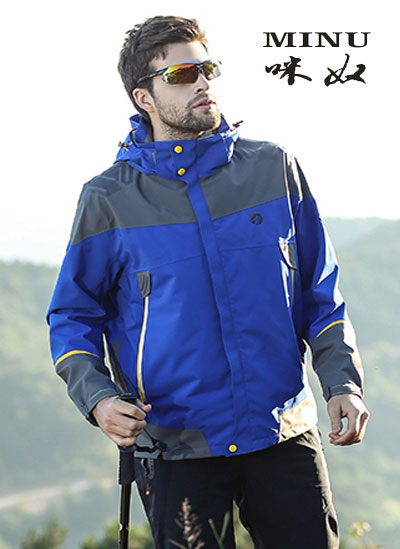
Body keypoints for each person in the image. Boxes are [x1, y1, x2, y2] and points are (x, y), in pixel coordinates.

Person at [47, 15, 370, 548]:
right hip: (175, 449)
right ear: (144, 98)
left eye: (207, 69)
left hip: (282, 432)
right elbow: (72, 316)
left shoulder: (274, 168)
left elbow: (320, 292)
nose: (201, 82)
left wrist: (343, 383)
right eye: (181, 74)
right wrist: (98, 398)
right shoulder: (108, 199)